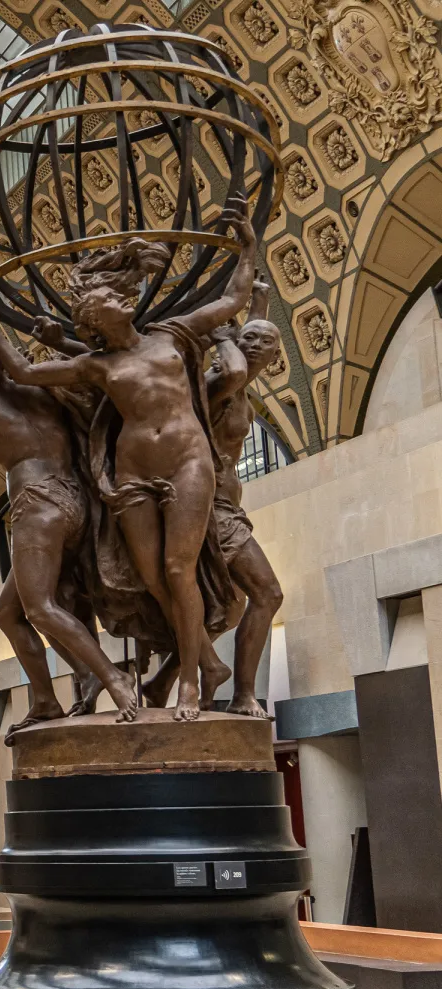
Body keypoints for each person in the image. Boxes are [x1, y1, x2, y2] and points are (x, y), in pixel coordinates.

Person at [0, 199, 257, 719]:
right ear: (94, 319)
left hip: (186, 461)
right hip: (131, 473)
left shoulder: (174, 333)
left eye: (116, 292)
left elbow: (233, 299)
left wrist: (249, 247)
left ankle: (193, 685)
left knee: (179, 569)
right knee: (151, 578)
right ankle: (207, 660)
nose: (121, 298)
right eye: (108, 297)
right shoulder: (97, 365)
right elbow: (22, 371)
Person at [0, 298, 138, 732]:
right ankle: (50, 697)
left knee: (39, 607)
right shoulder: (47, 392)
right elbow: (43, 374)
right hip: (75, 502)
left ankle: (113, 677)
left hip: (35, 507)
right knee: (8, 613)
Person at [202, 282, 285, 718]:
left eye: (266, 342)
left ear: (275, 358)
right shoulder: (217, 383)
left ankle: (175, 681)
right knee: (268, 593)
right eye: (247, 338)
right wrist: (228, 329)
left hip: (231, 509)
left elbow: (251, 341)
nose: (255, 345)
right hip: (209, 509)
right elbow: (236, 361)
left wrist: (260, 305)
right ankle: (242, 695)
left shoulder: (244, 394)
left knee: (227, 611)